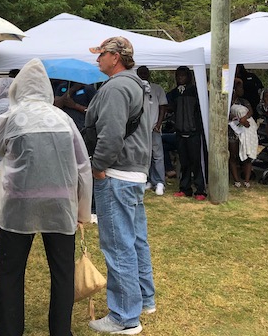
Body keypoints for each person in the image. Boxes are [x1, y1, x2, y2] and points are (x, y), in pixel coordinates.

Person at [0, 59, 93, 336]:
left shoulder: (11, 117)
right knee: (62, 271)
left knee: (10, 270)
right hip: (60, 204)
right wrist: (83, 211)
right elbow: (83, 166)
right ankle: (61, 330)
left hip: (18, 205)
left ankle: (9, 329)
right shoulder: (64, 118)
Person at [84, 37, 155, 335]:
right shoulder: (135, 84)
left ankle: (125, 316)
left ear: (114, 57)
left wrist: (97, 166)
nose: (97, 60)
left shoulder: (115, 87)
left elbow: (111, 134)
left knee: (118, 244)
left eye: (100, 55)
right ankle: (144, 299)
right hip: (133, 172)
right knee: (135, 239)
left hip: (117, 173)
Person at [167, 66, 207, 201]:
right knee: (184, 163)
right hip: (180, 132)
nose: (180, 78)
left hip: (194, 132)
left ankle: (200, 190)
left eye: (183, 75)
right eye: (178, 76)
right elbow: (169, 108)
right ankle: (185, 188)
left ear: (188, 77)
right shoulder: (174, 93)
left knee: (196, 162)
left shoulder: (197, 92)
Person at [137, 66, 168, 196]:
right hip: (140, 129)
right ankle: (148, 180)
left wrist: (159, 124)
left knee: (158, 156)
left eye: (145, 72)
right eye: (141, 73)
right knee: (144, 155)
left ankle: (160, 182)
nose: (143, 75)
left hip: (154, 127)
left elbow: (163, 107)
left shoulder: (156, 88)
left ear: (149, 74)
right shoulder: (135, 88)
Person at [228, 78, 257, 188]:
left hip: (245, 129)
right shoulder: (226, 101)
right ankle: (236, 180)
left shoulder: (244, 101)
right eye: (240, 87)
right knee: (233, 155)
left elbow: (250, 111)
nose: (242, 90)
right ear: (234, 89)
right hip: (232, 130)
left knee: (247, 155)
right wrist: (238, 119)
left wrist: (244, 118)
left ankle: (247, 180)